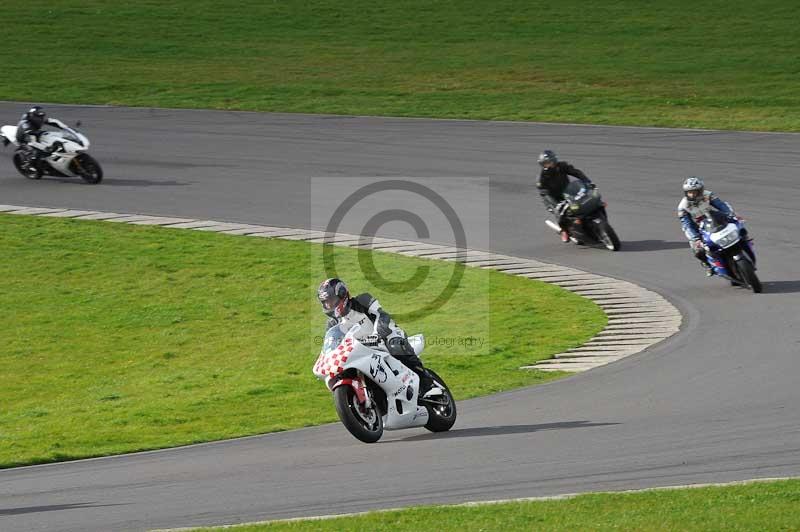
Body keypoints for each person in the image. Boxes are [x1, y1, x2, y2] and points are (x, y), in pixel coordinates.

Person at [317, 278, 437, 397]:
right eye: (326, 302)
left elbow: (381, 315)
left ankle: (427, 383)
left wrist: (379, 332)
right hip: (360, 351)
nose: (329, 305)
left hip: (384, 337)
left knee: (395, 344)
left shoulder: (362, 300)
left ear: (342, 294)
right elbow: (332, 344)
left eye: (331, 300)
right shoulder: (332, 324)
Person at [677, 176, 746, 276]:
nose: (692, 194)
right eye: (689, 192)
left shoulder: (708, 195)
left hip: (716, 220)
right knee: (698, 250)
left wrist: (731, 214)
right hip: (698, 228)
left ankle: (745, 241)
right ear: (686, 193)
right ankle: (707, 264)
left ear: (701, 191)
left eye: (695, 192)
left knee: (738, 225)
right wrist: (696, 238)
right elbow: (687, 224)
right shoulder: (683, 207)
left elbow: (721, 205)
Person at [537, 149, 594, 242]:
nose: (548, 165)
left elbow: (576, 172)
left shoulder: (562, 166)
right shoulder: (542, 178)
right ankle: (564, 231)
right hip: (553, 198)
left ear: (554, 160)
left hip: (568, 192)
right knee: (560, 214)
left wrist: (587, 181)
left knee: (584, 203)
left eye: (549, 162)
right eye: (545, 163)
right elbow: (544, 193)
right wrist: (556, 205)